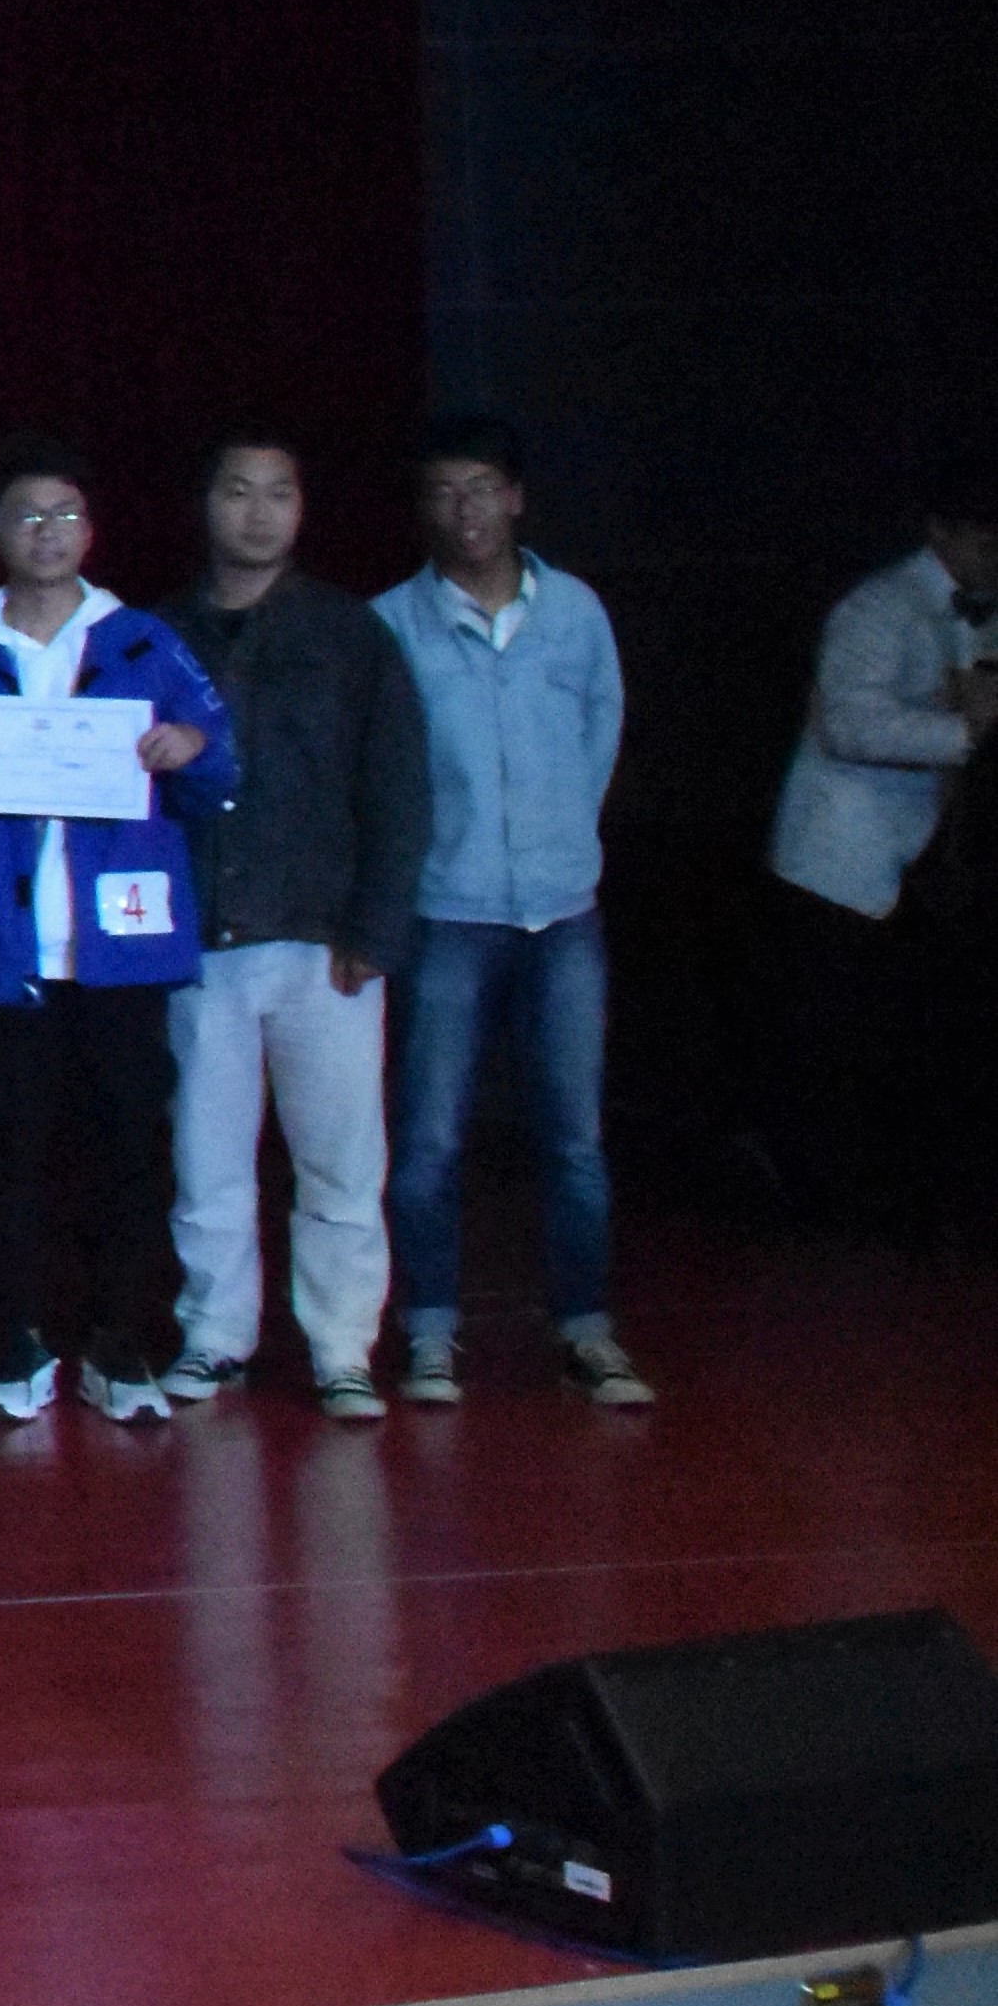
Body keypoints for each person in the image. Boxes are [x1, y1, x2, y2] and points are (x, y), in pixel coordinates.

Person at [0, 442, 232, 1424]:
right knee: (4, 1157)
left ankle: (118, 1343)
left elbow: (220, 774)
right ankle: (16, 1341)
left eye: (66, 514)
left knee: (125, 1150)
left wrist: (190, 745)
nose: (49, 532)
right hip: (2, 957)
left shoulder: (144, 642)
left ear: (90, 530)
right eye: (27, 515)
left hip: (121, 951)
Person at [371, 417, 645, 1408]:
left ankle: (586, 1327)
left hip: (563, 907)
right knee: (430, 1138)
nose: (467, 509)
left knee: (574, 1137)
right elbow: (383, 769)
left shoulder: (574, 610)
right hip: (448, 908)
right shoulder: (391, 622)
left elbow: (601, 725)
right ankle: (430, 1331)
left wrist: (564, 831)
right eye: (445, 490)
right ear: (423, 506)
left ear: (517, 496)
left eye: (483, 486)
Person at [157, 435, 428, 1418]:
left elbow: (397, 787)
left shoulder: (351, 634)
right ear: (207, 504)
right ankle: (214, 1335)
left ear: (303, 510)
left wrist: (377, 928)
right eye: (238, 491)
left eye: (279, 493)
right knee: (207, 1162)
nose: (259, 512)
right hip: (198, 940)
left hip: (325, 940)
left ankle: (342, 1346)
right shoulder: (155, 634)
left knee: (341, 1161)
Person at [765, 445, 998, 1249]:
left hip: (923, 855)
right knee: (836, 1039)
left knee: (903, 1037)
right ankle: (827, 1208)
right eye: (984, 539)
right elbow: (849, 723)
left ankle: (896, 1200)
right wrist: (966, 729)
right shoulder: (879, 609)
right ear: (942, 531)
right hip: (841, 858)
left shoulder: (978, 607)